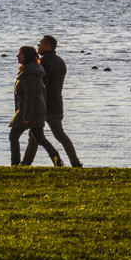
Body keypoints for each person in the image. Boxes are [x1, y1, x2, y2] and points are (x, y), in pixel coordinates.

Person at [9, 45, 59, 166]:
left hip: (29, 112)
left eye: (20, 53)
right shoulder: (29, 70)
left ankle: (15, 165)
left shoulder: (29, 73)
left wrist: (26, 116)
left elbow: (30, 97)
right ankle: (57, 160)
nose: (17, 56)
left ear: (27, 56)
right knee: (40, 138)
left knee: (14, 136)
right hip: (32, 111)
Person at [38, 35, 83, 167]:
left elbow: (41, 83)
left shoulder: (43, 62)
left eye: (40, 43)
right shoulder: (60, 61)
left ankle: (26, 163)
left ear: (48, 46)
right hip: (57, 103)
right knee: (60, 135)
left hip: (44, 104)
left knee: (35, 136)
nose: (38, 46)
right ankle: (75, 162)